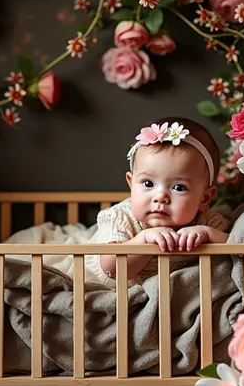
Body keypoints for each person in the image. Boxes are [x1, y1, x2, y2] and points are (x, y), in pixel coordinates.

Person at [85, 116, 231, 287]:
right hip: (106, 284)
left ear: (204, 198)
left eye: (179, 187)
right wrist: (143, 240)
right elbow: (111, 269)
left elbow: (243, 249)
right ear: (131, 185)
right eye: (148, 184)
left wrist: (209, 235)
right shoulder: (120, 217)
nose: (160, 197)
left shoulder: (207, 223)